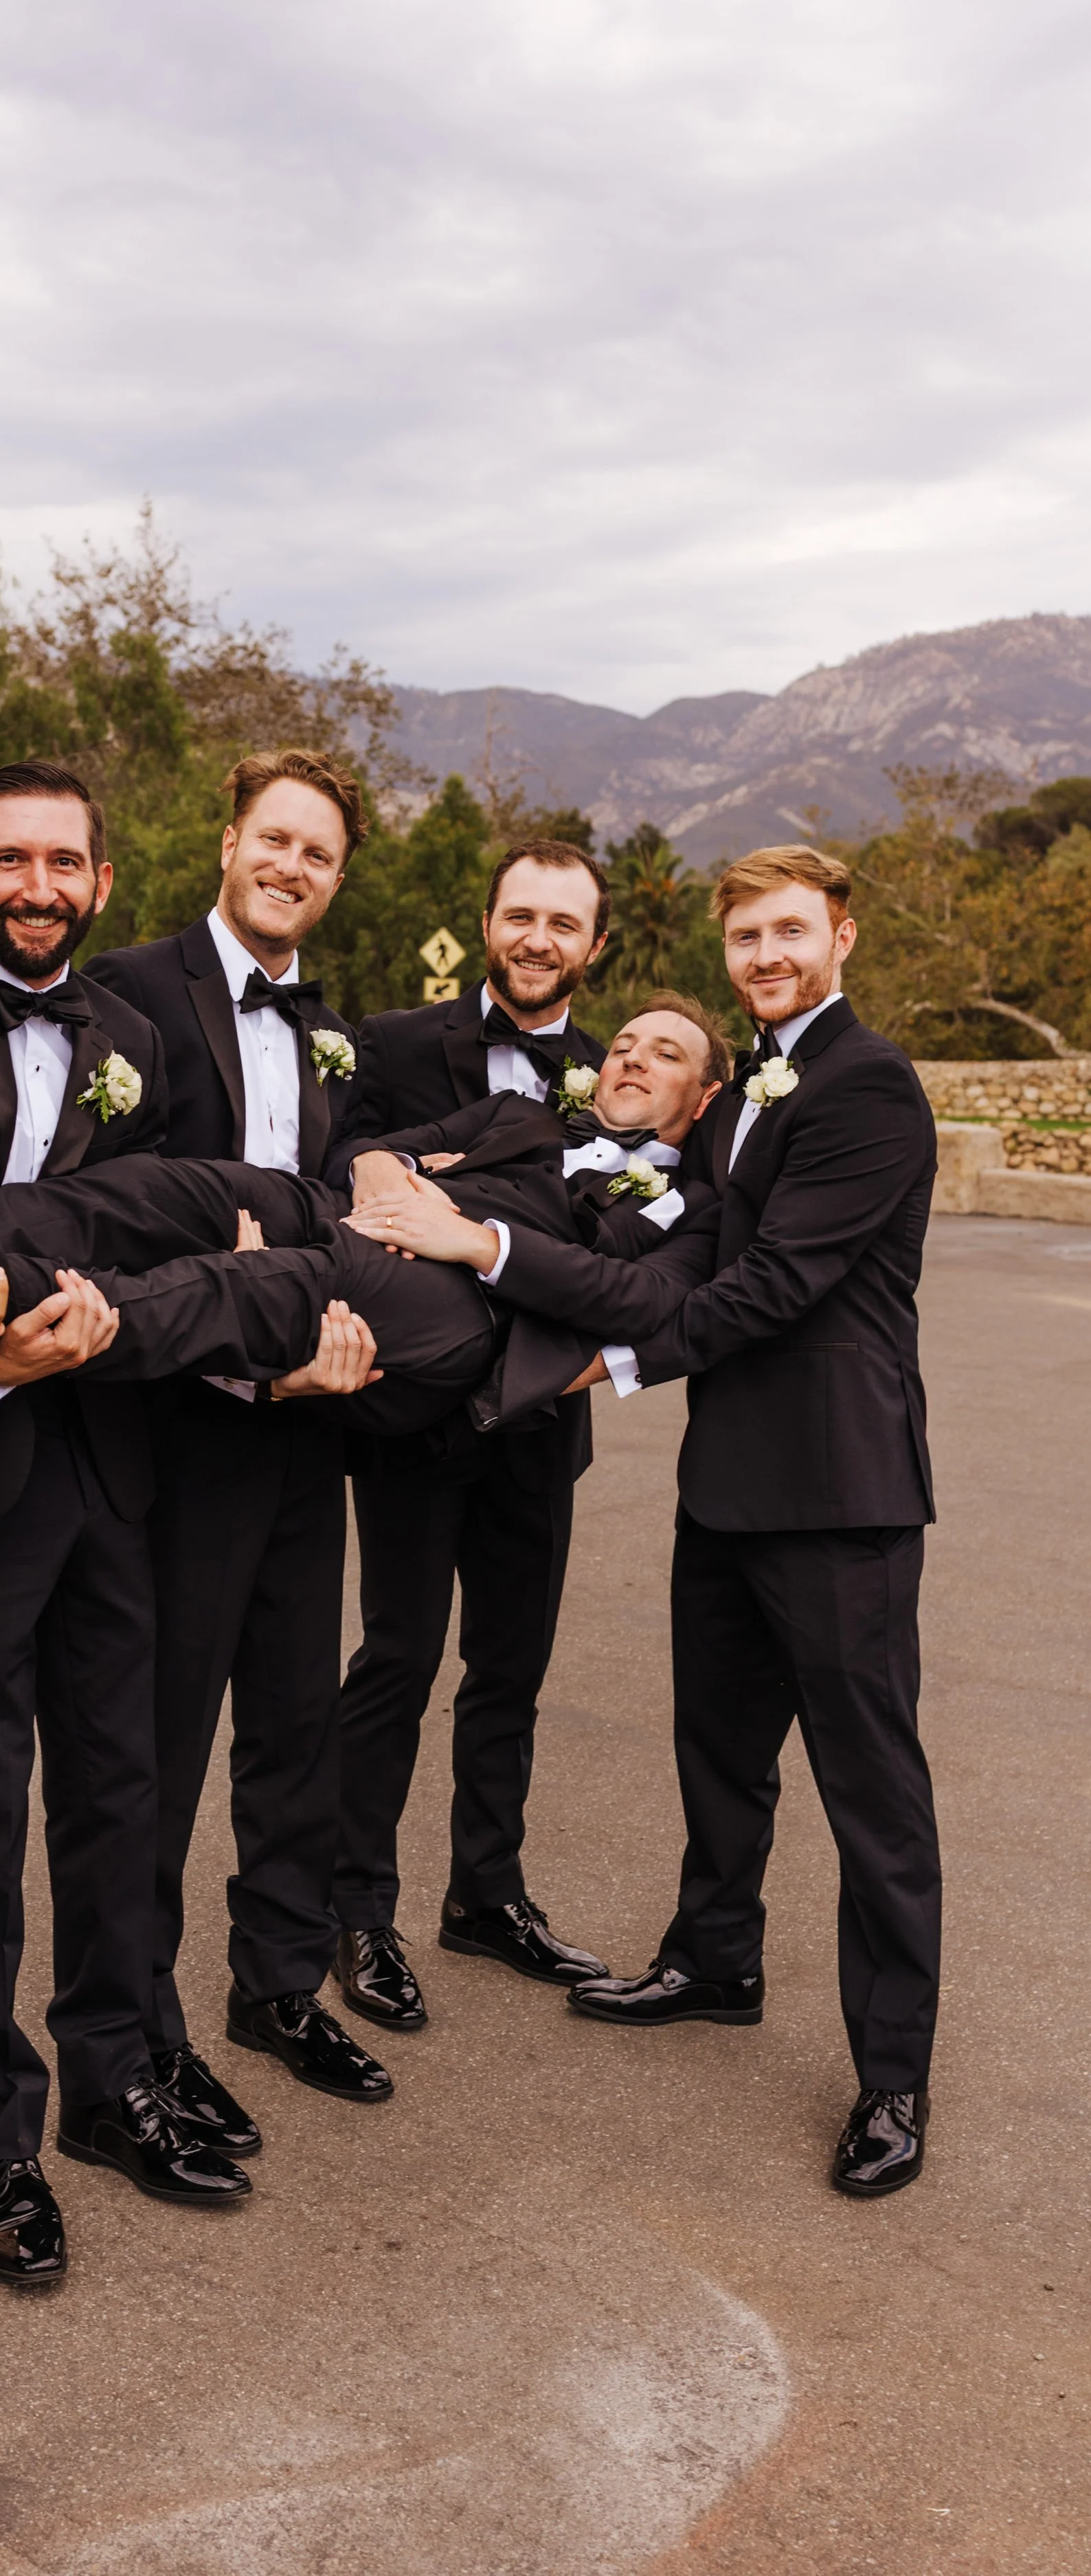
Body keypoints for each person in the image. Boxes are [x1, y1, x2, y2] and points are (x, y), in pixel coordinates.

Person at [0, 761, 251, 2298]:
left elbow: (158, 1214)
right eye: (9, 860)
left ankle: (105, 2089)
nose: (36, 886)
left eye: (62, 863)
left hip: (114, 1458)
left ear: (98, 878)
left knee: (116, 1789)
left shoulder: (136, 1039)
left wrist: (102, 1319)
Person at [486, 848, 941, 2199]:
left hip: (841, 1490)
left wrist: (609, 1364)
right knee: (720, 1746)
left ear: (837, 936)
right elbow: (683, 1241)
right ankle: (714, 1956)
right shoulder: (740, 1088)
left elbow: (778, 1284)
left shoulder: (866, 1088)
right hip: (725, 1486)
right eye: (744, 936)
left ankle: (893, 2078)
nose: (764, 956)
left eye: (787, 932)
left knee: (873, 1792)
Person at [84, 752, 388, 2130]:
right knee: (157, 1742)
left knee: (290, 1723)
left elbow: (334, 1215)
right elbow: (97, 1196)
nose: (292, 867)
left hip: (299, 1425)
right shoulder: (133, 993)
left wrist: (322, 1336)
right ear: (227, 843)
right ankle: (134, 2037)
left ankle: (274, 1985)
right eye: (275, 840)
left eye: (317, 853)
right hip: (172, 1430)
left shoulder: (333, 1029)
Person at [0, 998, 728, 1445]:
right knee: (175, 1189)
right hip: (357, 1216)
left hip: (463, 1311)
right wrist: (399, 1178)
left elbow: (641, 1304)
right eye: (625, 1042)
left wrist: (473, 1243)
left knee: (250, 1284)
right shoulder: (520, 1113)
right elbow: (372, 1152)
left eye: (664, 1054)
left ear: (705, 1097)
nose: (631, 1058)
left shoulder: (691, 1206)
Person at [326, 839, 615, 2029]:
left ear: (594, 948)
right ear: (487, 922)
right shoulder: (392, 1045)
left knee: (511, 1667)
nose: (538, 938)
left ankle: (486, 1896)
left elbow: (620, 1250)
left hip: (543, 1416)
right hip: (413, 1413)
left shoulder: (615, 1072)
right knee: (395, 1659)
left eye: (563, 923)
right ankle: (357, 1909)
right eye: (521, 915)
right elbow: (346, 1180)